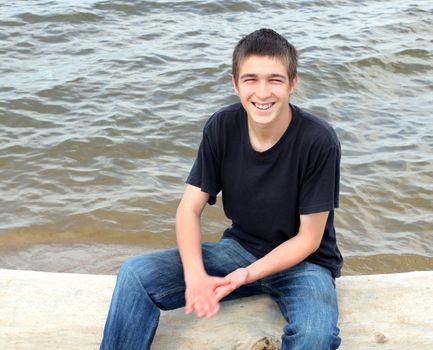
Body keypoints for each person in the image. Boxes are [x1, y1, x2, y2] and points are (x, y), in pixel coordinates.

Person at [100, 28, 343, 350]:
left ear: (292, 84)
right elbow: (189, 208)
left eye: (275, 79)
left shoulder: (318, 140)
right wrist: (196, 274)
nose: (262, 92)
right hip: (238, 250)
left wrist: (247, 275)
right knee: (135, 274)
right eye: (250, 79)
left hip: (305, 265)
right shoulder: (222, 127)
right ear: (235, 83)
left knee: (316, 335)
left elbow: (308, 238)